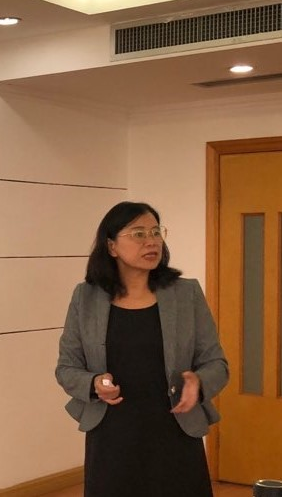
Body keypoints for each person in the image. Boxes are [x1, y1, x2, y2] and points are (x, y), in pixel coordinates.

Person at [55, 201, 228, 497]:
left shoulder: (186, 294)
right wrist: (94, 383)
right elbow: (67, 368)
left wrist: (198, 383)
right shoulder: (86, 297)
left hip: (175, 428)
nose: (151, 241)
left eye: (156, 232)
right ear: (111, 246)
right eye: (138, 234)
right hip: (112, 434)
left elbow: (216, 363)